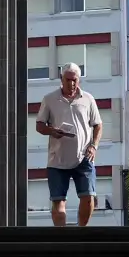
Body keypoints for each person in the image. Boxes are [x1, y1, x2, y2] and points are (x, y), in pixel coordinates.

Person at [34, 62, 103, 226]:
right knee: (58, 201)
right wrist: (52, 131)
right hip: (57, 159)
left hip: (84, 157)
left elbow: (98, 125)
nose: (71, 83)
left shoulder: (88, 99)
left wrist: (94, 146)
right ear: (61, 79)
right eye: (68, 80)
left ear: (79, 80)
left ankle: (81, 232)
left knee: (88, 197)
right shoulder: (49, 99)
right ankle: (62, 237)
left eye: (75, 80)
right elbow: (39, 125)